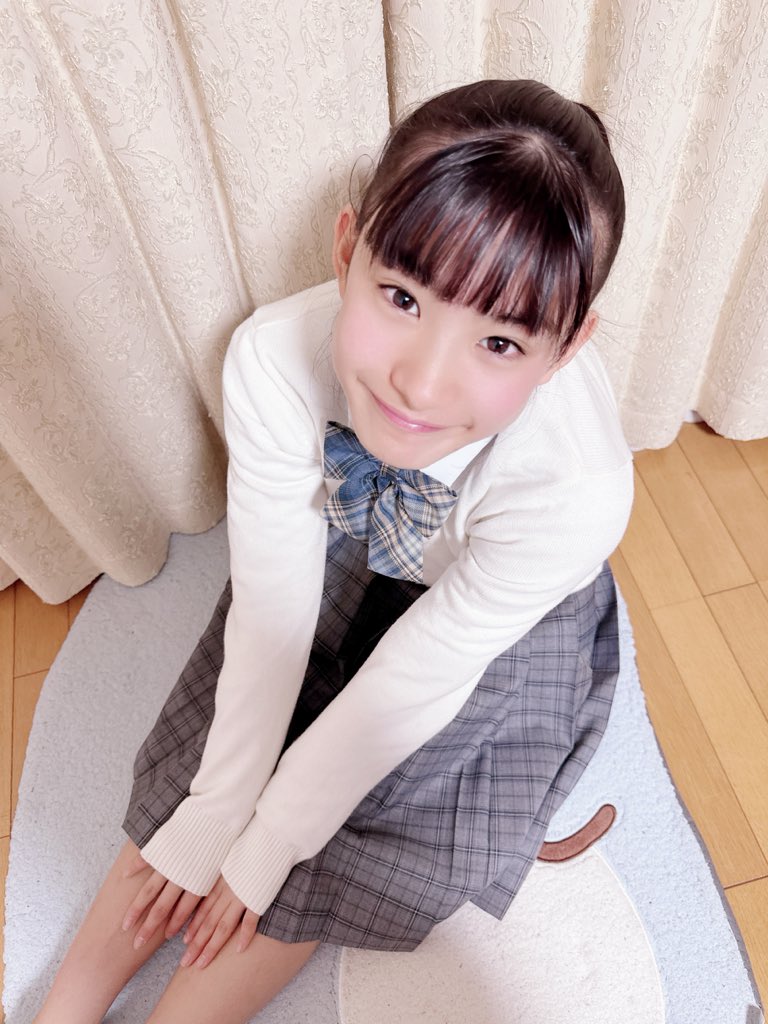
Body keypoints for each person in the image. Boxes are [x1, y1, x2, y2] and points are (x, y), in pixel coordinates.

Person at [34, 78, 633, 1024]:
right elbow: (272, 612)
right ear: (348, 249)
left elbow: (420, 676)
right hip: (347, 546)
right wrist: (217, 813)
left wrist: (269, 844)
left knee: (385, 804)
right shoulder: (272, 358)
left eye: (499, 344)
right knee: (223, 738)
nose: (420, 383)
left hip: (489, 616)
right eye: (401, 297)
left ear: (568, 349)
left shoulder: (577, 491)